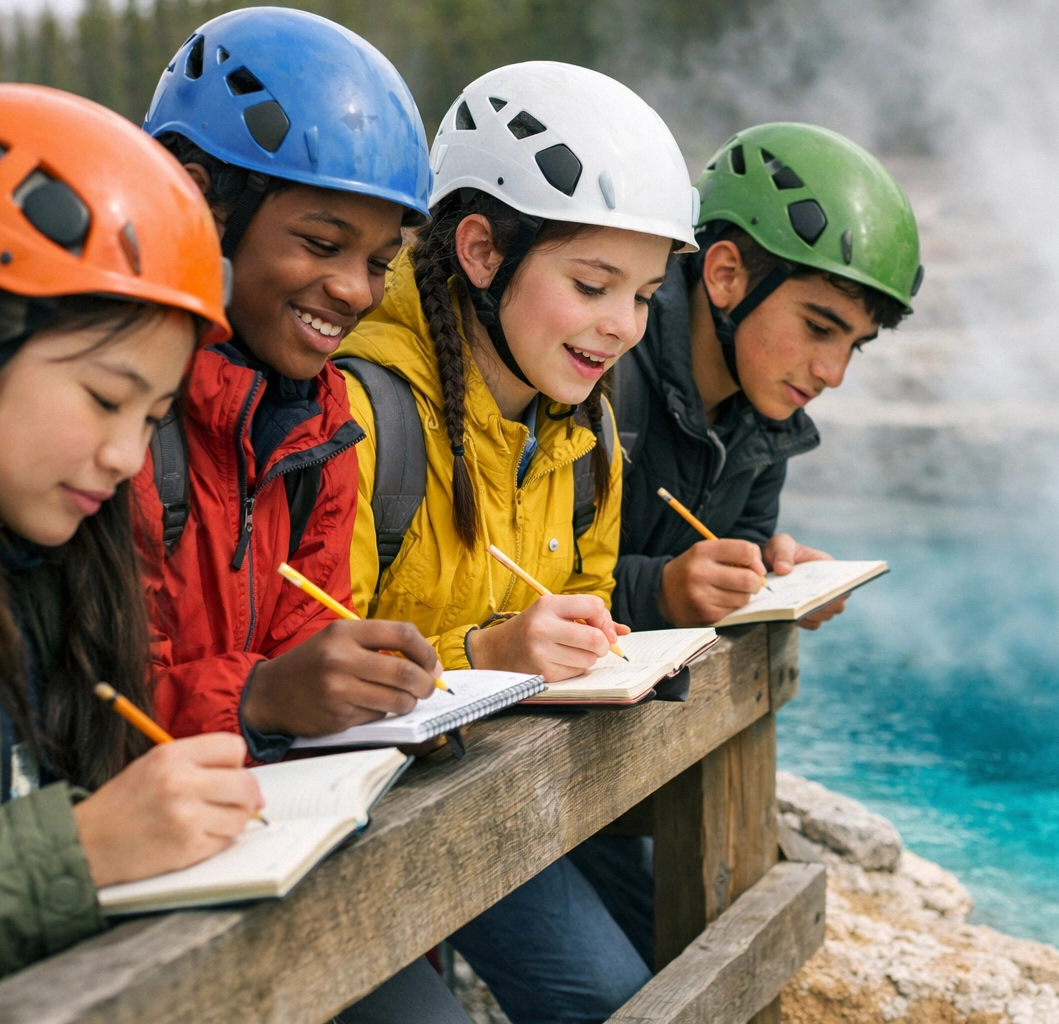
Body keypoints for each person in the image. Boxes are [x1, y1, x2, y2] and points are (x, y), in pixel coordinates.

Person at [0, 83, 263, 1023]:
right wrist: (77, 852)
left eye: (155, 418)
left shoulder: (46, 552)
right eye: (102, 397)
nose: (129, 457)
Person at [334, 63, 695, 1023]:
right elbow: (309, 661)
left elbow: (580, 589)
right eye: (591, 284)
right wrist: (487, 655)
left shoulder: (585, 431)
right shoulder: (365, 413)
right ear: (483, 251)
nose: (622, 327)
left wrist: (587, 639)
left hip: (477, 803)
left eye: (647, 296)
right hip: (343, 829)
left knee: (612, 1002)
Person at [136, 13, 472, 1021]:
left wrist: (360, 685)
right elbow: (74, 707)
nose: (353, 291)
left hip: (266, 850)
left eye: (377, 261)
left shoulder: (323, 425)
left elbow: (303, 642)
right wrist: (265, 700)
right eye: (322, 243)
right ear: (196, 205)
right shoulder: (112, 426)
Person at [609, 122, 922, 631]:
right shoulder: (602, 374)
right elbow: (511, 586)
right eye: (819, 327)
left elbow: (720, 575)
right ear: (726, 276)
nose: (833, 373)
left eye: (855, 346)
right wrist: (658, 594)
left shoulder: (765, 420)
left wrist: (767, 583)